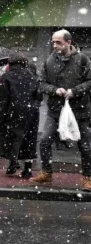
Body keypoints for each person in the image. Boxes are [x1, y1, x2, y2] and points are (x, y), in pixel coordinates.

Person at [32, 30, 91, 191]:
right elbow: (41, 83)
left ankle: (88, 177)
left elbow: (89, 81)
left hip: (79, 110)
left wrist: (74, 91)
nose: (55, 45)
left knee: (85, 146)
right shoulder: (49, 61)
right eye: (53, 42)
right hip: (55, 110)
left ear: (68, 42)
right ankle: (46, 172)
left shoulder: (83, 60)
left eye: (58, 42)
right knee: (44, 141)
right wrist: (54, 90)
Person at [0, 52, 39, 179]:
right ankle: (28, 169)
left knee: (12, 137)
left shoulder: (6, 77)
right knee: (29, 139)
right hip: (31, 112)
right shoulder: (32, 76)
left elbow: (1, 100)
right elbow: (38, 95)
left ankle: (13, 162)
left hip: (12, 111)